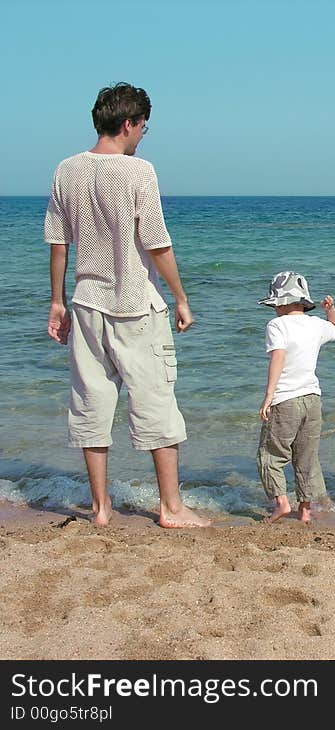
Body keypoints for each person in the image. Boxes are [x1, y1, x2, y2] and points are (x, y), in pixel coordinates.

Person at [44, 82, 210, 528]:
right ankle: (171, 508)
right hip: (135, 305)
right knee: (156, 403)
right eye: (143, 127)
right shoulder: (139, 172)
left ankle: (100, 509)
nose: (142, 136)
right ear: (127, 123)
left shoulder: (67, 170)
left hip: (85, 303)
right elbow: (157, 243)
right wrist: (180, 297)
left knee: (91, 404)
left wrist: (56, 302)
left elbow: (59, 244)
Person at [257, 271, 335, 524]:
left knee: (271, 454)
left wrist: (268, 396)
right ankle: (305, 509)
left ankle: (281, 503)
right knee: (307, 455)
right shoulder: (316, 324)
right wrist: (330, 309)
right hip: (312, 399)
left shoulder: (277, 325)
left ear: (281, 302)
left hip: (286, 400)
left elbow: (278, 357)